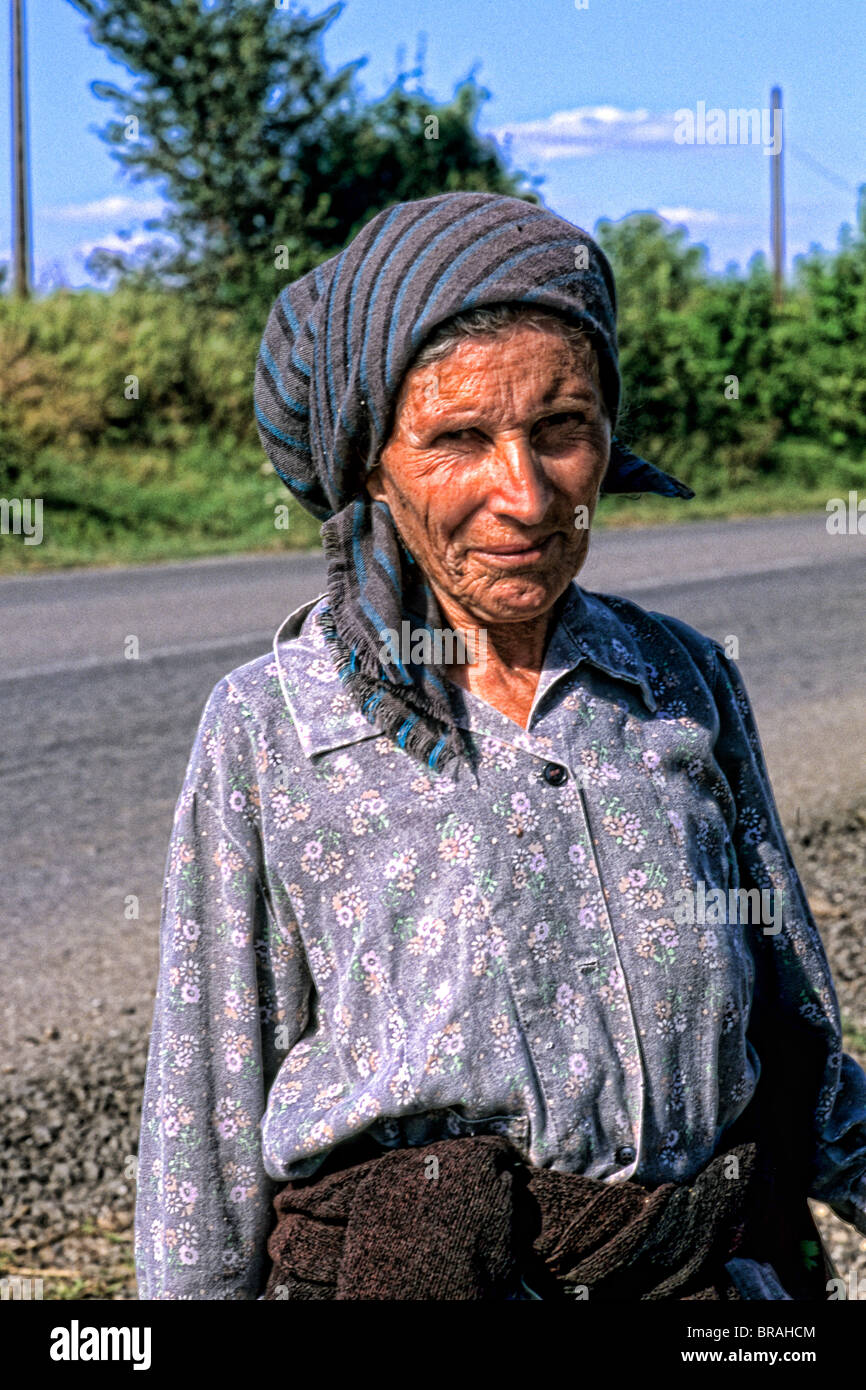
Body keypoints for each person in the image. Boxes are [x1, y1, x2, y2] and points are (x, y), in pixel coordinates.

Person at [134, 191, 866, 1300]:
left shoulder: (677, 679)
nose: (522, 494)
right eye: (457, 438)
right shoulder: (272, 727)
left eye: (560, 428)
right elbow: (206, 1114)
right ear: (371, 461)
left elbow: (794, 1032)